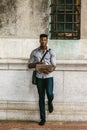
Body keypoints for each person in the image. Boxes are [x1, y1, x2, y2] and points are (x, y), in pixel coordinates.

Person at [28, 34, 56, 125]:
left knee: (50, 93)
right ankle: (43, 118)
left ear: (47, 41)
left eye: (45, 40)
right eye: (42, 40)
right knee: (41, 98)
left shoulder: (51, 52)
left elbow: (53, 66)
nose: (43, 41)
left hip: (48, 77)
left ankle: (50, 101)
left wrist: (49, 69)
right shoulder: (34, 52)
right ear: (39, 41)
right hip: (39, 77)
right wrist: (37, 63)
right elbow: (29, 65)